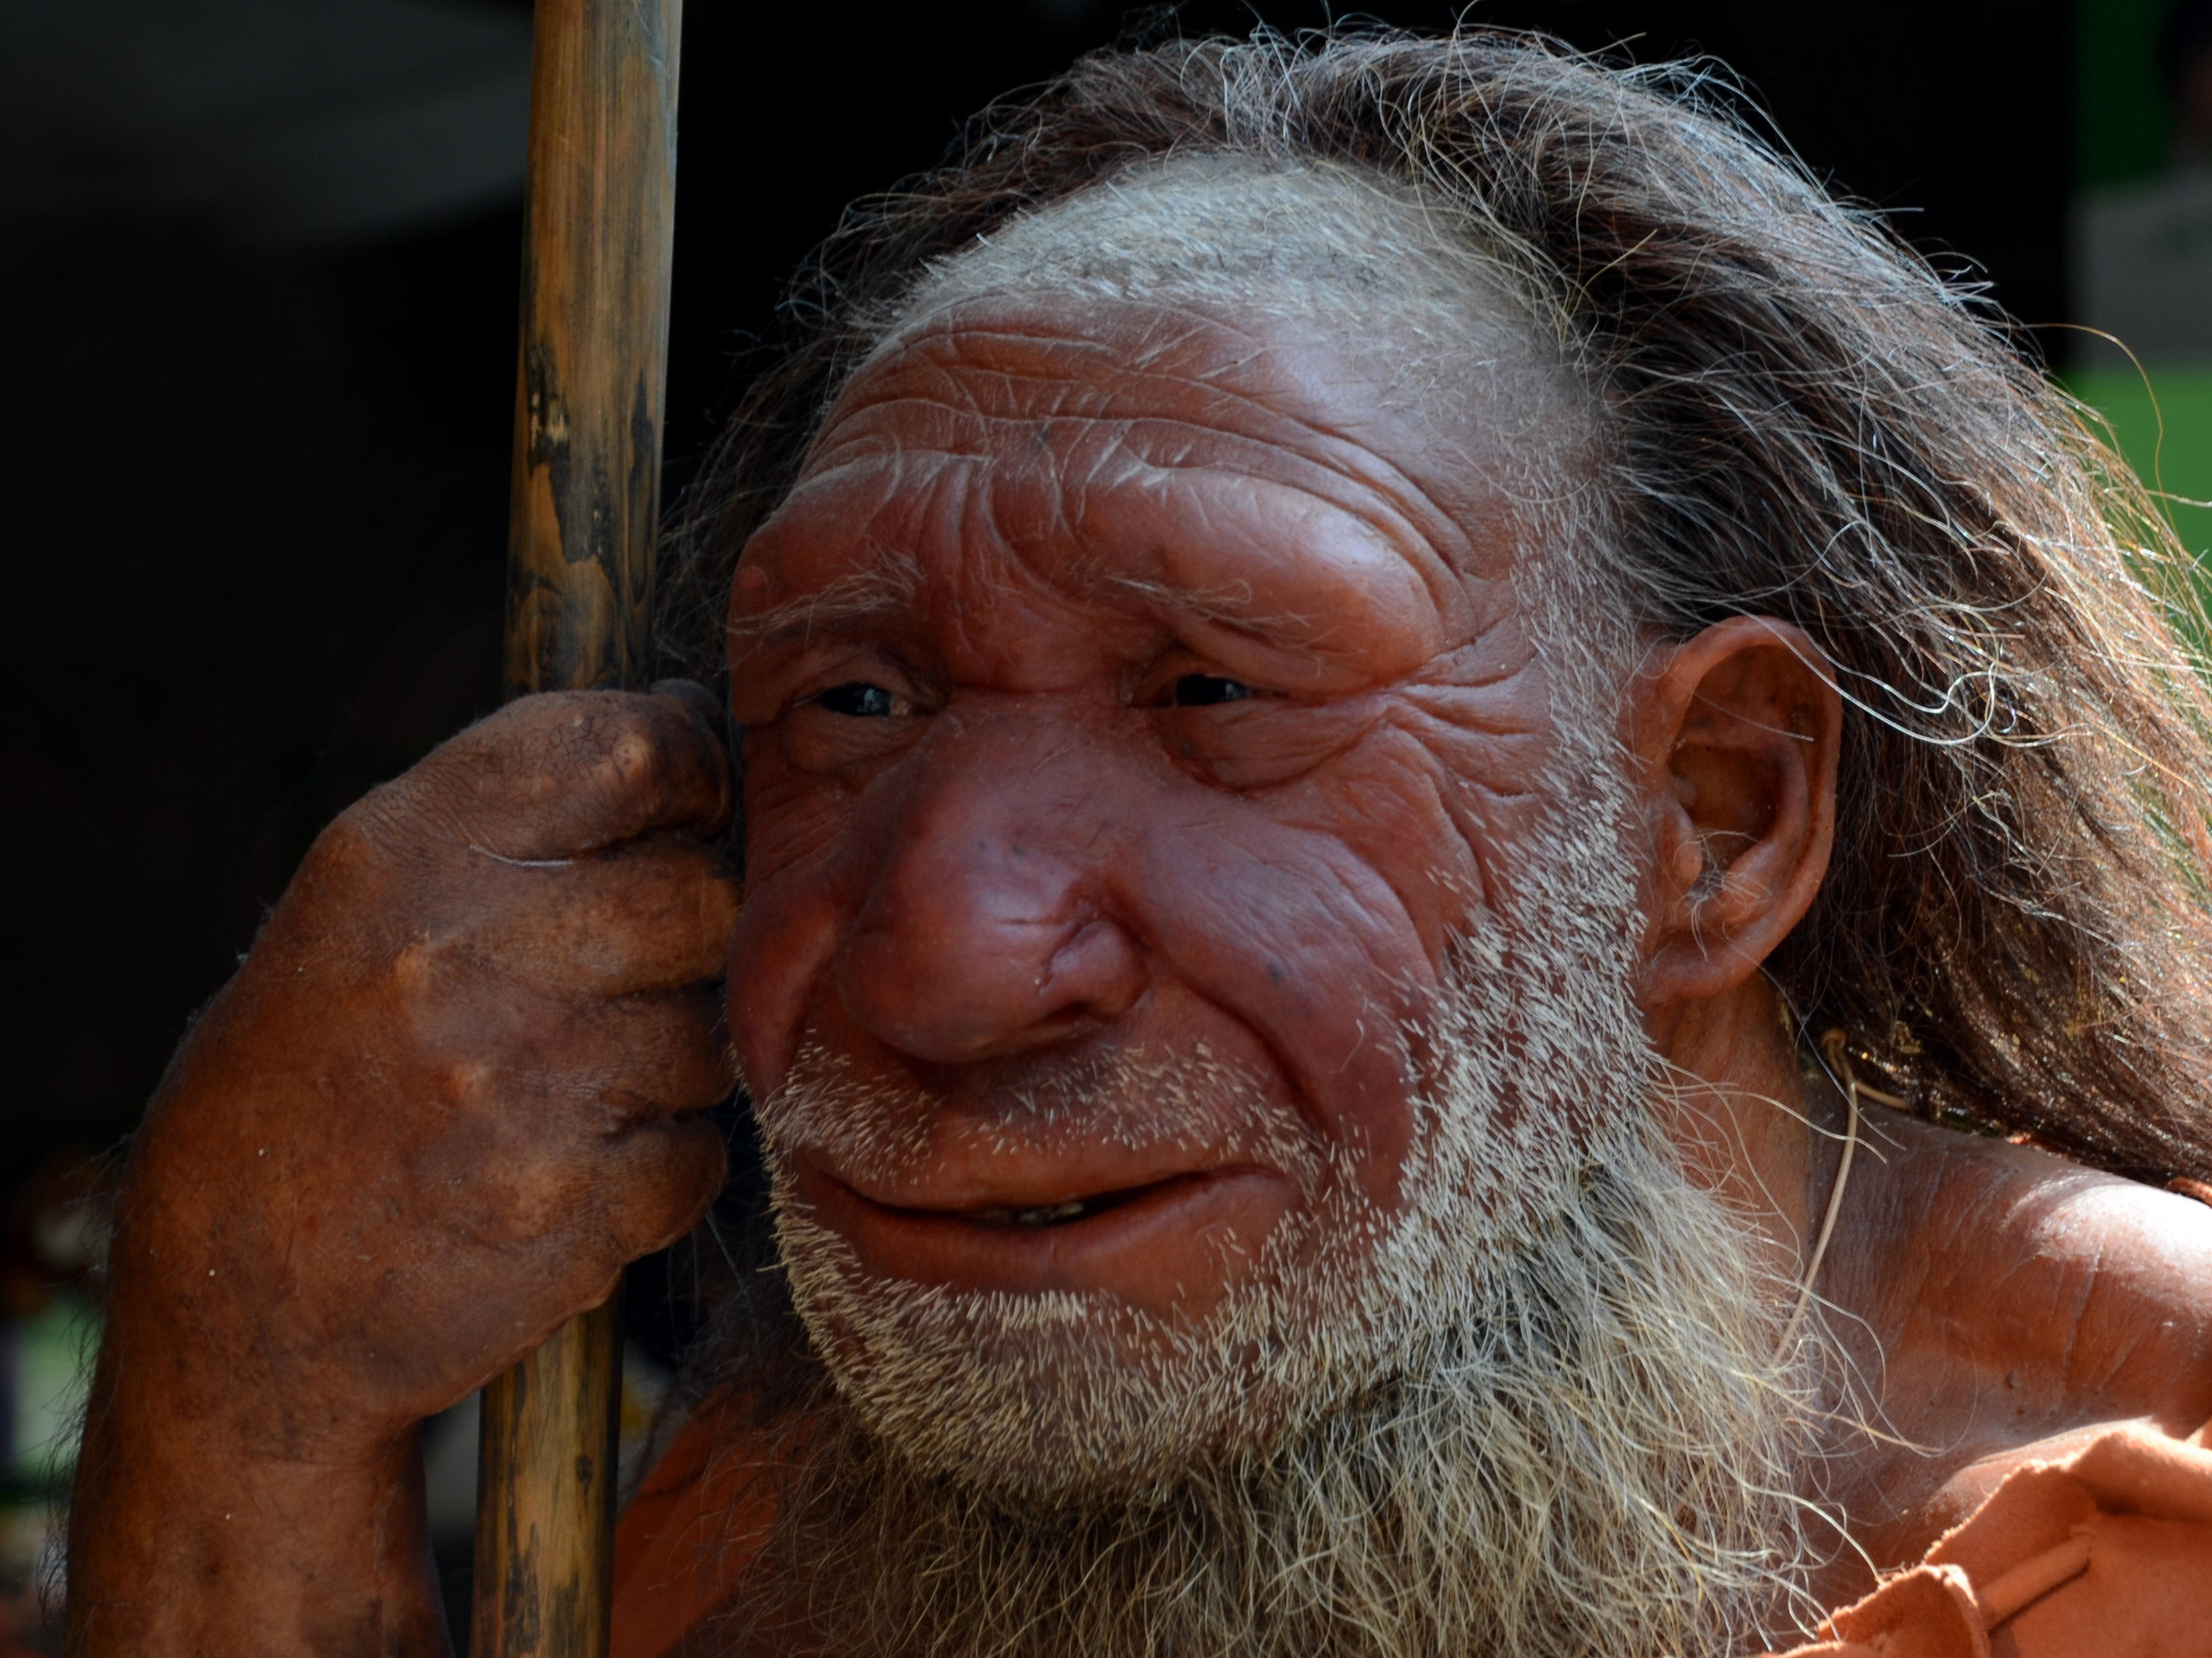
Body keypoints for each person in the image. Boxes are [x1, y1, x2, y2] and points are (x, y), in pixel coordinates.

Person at [64, 29, 2212, 1658]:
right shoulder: (800, 1524)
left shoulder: (2140, 1541)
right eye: (858, 701)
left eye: (1213, 695)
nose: (940, 959)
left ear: (1713, 820)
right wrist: (247, 1384)